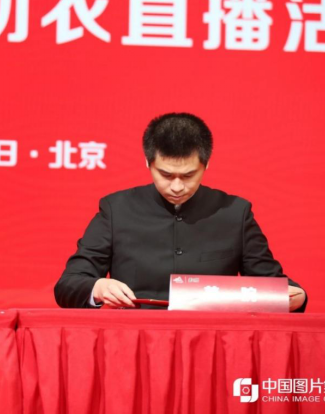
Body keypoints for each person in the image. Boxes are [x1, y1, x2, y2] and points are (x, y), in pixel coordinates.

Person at [55, 113, 307, 312]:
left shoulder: (235, 213)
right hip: (135, 338)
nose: (177, 187)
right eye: (165, 175)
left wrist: (296, 297)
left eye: (188, 175)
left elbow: (277, 286)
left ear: (206, 164)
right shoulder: (116, 209)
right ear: (148, 162)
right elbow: (68, 284)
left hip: (212, 341)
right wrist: (97, 287)